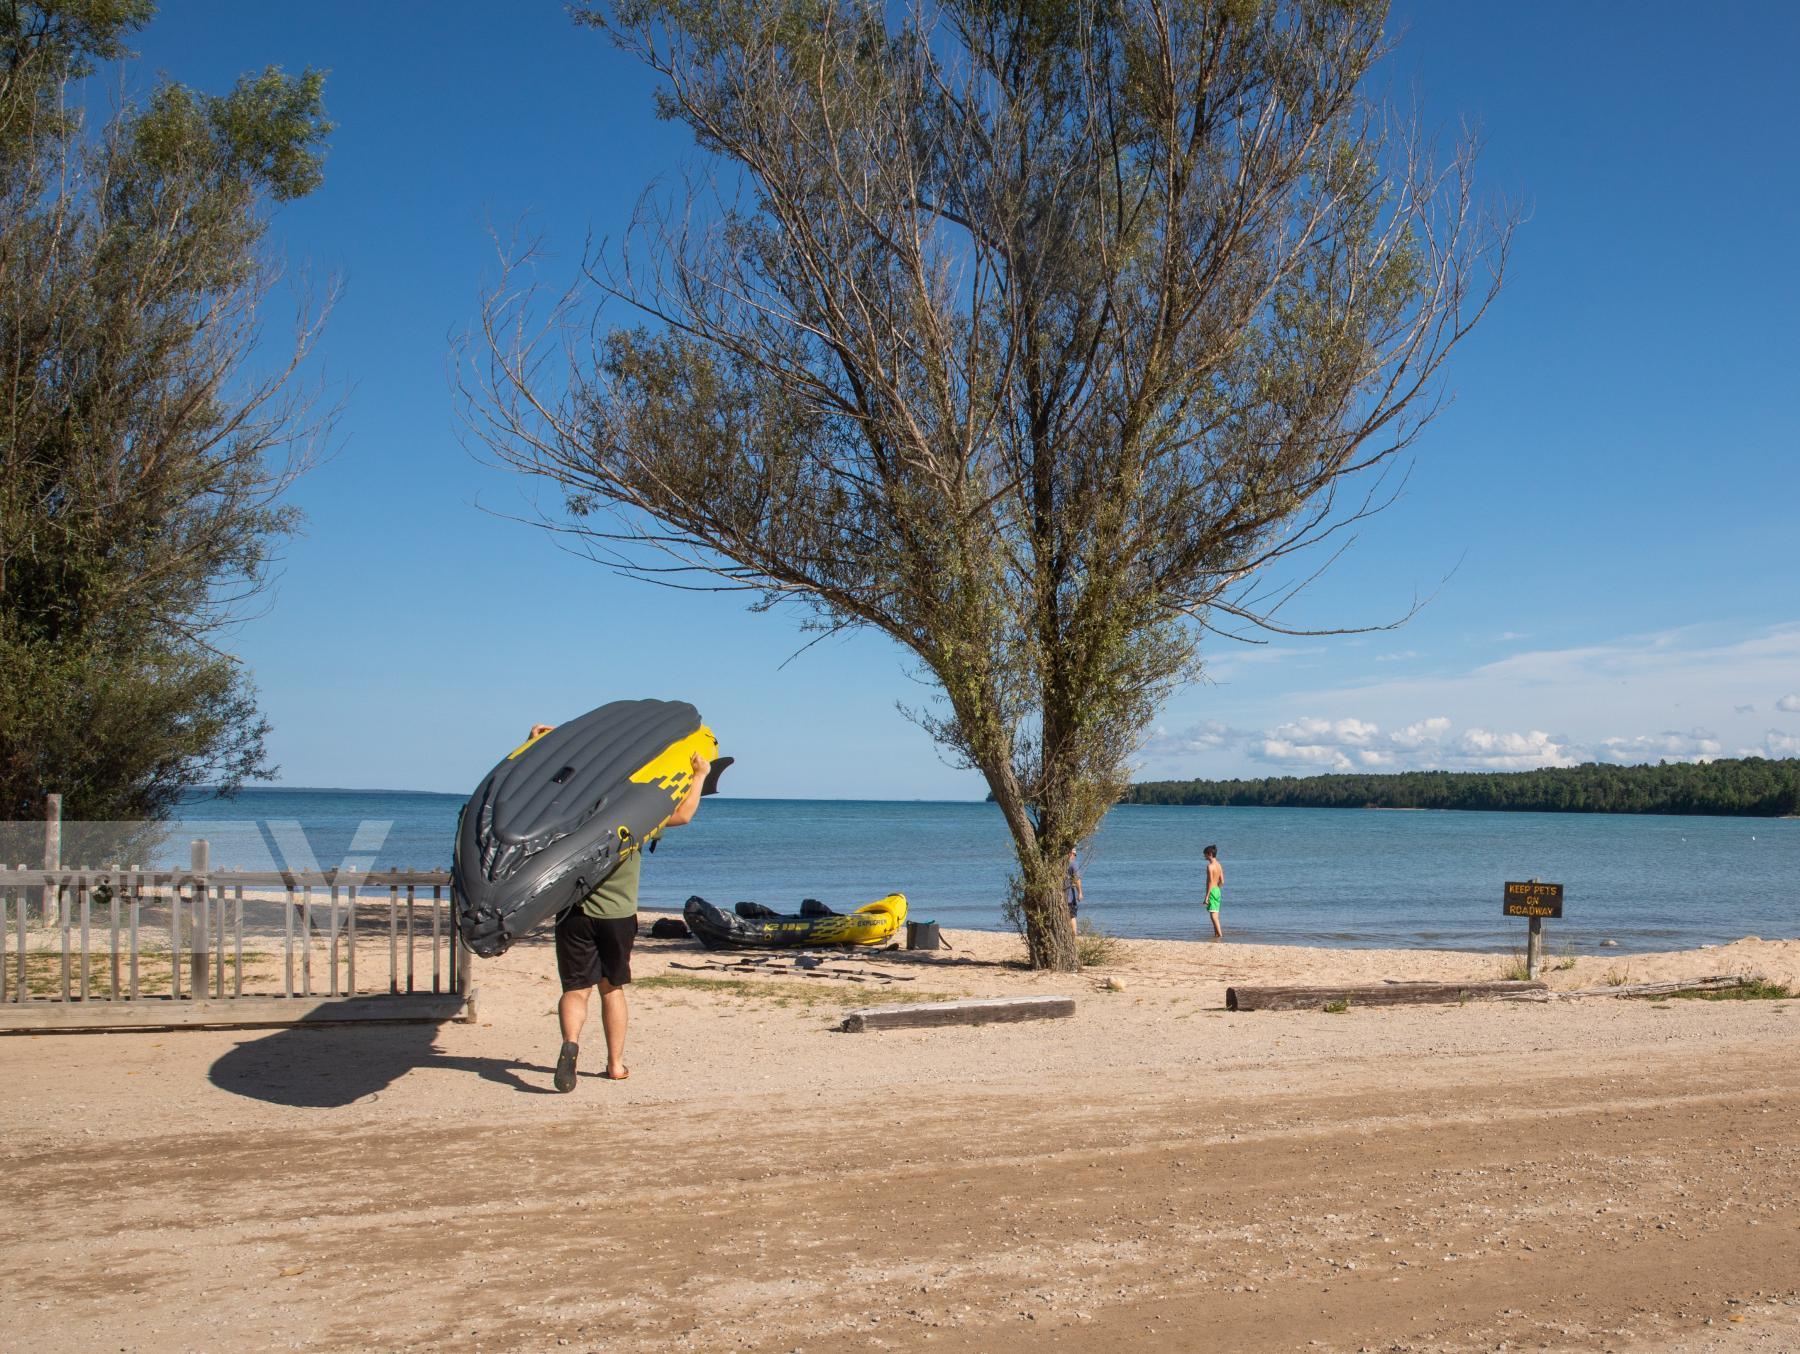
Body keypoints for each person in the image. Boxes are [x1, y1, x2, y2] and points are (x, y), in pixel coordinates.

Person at [539, 721, 711, 1093]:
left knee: (575, 990)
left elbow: (538, 800)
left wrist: (538, 747)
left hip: (573, 912)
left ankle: (571, 1043)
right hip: (617, 915)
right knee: (611, 989)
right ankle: (615, 1065)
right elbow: (682, 814)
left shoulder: (574, 817)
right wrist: (699, 775)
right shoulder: (634, 820)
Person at [1203, 843, 1224, 940]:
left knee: (1213, 917)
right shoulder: (1219, 864)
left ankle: (1220, 935)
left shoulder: (1210, 866)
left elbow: (1210, 882)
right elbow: (1222, 881)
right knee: (1215, 914)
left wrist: (1206, 897)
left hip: (1212, 891)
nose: (1204, 856)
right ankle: (1216, 934)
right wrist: (1217, 889)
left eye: (1205, 854)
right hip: (1217, 891)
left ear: (1210, 854)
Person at [1064, 845, 1083, 920]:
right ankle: (1074, 932)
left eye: (1075, 855)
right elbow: (1077, 879)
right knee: (1072, 916)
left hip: (1061, 896)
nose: (1074, 856)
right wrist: (1080, 893)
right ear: (1070, 853)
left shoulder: (1059, 864)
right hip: (1069, 897)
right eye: (1074, 854)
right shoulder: (1073, 864)